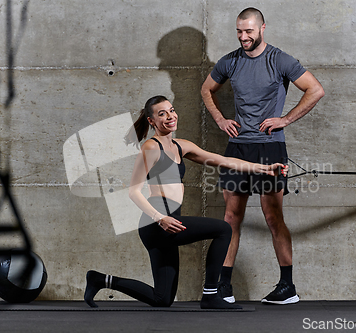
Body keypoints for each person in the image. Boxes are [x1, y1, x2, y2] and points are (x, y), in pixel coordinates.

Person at [84, 96, 287, 309]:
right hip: (156, 223)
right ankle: (210, 294)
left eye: (171, 110)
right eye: (162, 114)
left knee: (161, 299)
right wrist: (160, 218)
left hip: (170, 222)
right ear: (151, 121)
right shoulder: (151, 148)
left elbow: (223, 161)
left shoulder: (181, 146)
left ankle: (100, 280)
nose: (170, 116)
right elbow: (133, 191)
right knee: (223, 229)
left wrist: (264, 169)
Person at [201, 7, 325, 305]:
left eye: (249, 31)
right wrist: (220, 119)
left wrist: (285, 119)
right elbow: (207, 90)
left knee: (273, 216)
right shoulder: (230, 61)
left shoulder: (279, 59)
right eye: (239, 32)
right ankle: (224, 286)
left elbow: (315, 90)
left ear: (262, 28)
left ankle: (287, 288)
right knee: (230, 217)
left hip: (270, 148)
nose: (243, 37)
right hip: (238, 148)